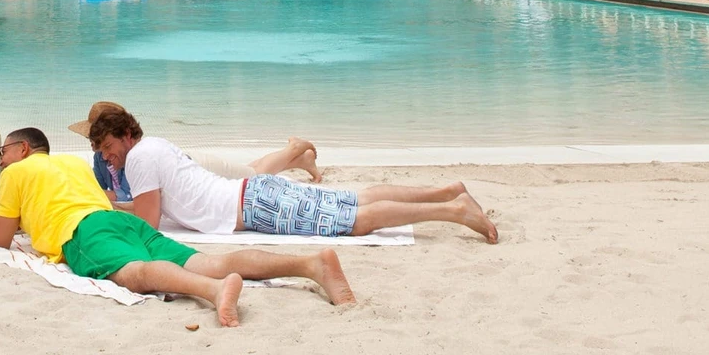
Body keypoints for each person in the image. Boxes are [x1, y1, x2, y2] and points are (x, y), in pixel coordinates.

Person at [0, 128, 354, 328]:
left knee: (134, 273)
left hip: (84, 231)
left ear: (22, 150)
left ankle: (214, 292)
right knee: (208, 260)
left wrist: (18, 220)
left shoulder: (16, 172)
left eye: (3, 153)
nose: (1, 161)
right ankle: (309, 265)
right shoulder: (75, 164)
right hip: (122, 221)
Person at [87, 106, 497, 243]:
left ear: (126, 135)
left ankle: (455, 211)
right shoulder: (155, 146)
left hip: (254, 204)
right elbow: (151, 207)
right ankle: (445, 191)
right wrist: (114, 203)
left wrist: (106, 215)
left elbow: (148, 223)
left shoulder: (139, 158)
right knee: (354, 199)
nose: (109, 159)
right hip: (255, 192)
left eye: (108, 149)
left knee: (353, 222)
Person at [69, 101, 322, 204]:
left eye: (101, 142)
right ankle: (300, 160)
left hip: (195, 166)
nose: (96, 148)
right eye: (94, 142)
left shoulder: (134, 154)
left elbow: (123, 194)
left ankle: (294, 148)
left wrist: (97, 193)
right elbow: (104, 188)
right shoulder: (101, 159)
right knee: (247, 168)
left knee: (251, 174)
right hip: (182, 169)